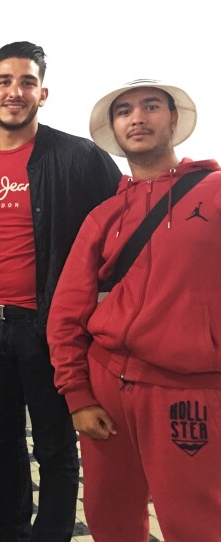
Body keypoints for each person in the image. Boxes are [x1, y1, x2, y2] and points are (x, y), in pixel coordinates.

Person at [0, 41, 121, 542]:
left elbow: (121, 223)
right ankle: (13, 529)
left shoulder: (78, 157)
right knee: (1, 441)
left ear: (43, 93)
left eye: (26, 82)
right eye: (4, 82)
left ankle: (52, 535)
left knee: (55, 445)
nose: (15, 92)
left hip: (47, 329)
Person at [48, 80, 221, 542]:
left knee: (195, 521)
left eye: (150, 107)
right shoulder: (103, 215)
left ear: (174, 120)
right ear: (115, 129)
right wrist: (77, 395)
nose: (137, 118)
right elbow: (67, 312)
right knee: (110, 518)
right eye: (124, 111)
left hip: (187, 391)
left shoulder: (216, 193)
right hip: (105, 388)